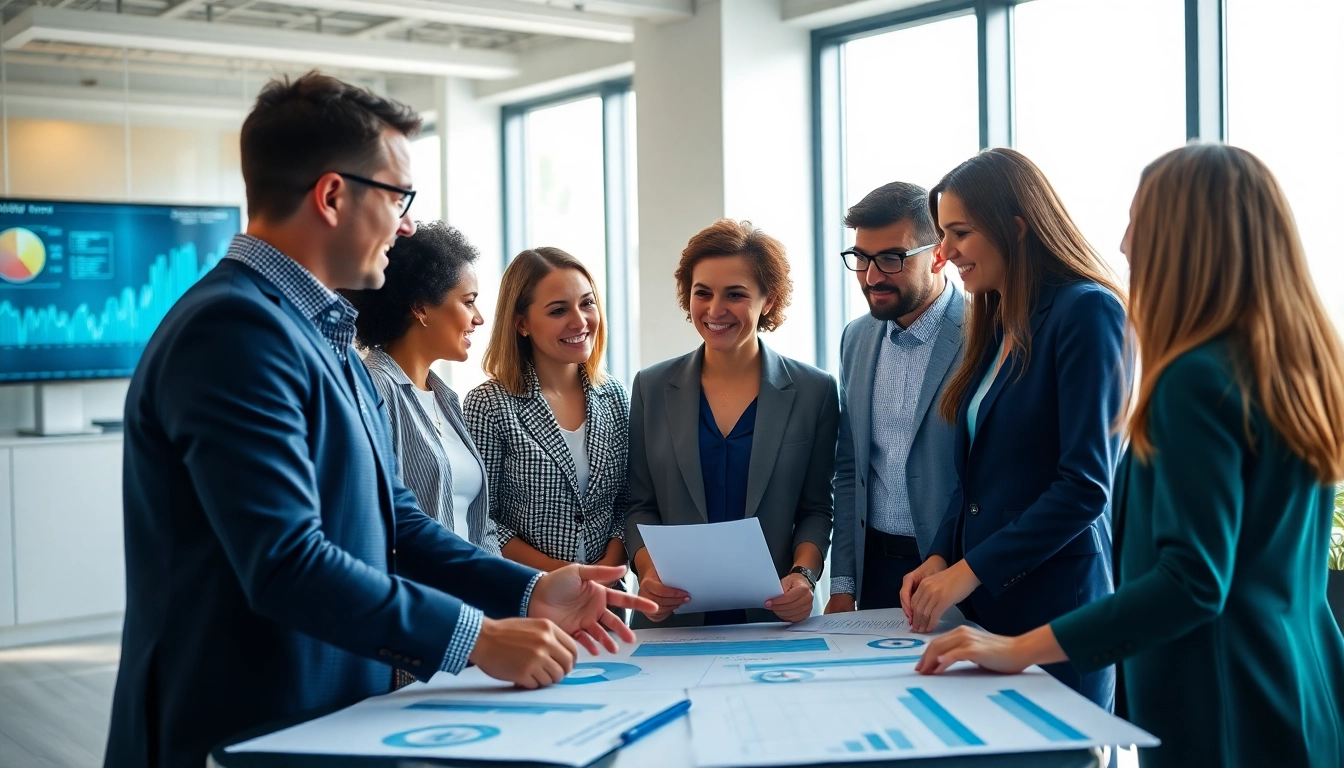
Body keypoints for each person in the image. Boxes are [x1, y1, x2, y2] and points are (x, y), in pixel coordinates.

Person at [107, 73, 653, 768]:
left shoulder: (322, 332)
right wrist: (478, 637)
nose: (409, 225)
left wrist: (530, 589)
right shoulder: (233, 331)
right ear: (333, 195)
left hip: (329, 720)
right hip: (239, 728)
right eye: (399, 197)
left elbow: (394, 519)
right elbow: (286, 561)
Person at [915, 144, 1344, 768]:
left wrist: (1017, 649)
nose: (1123, 242)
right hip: (1299, 687)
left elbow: (1191, 582)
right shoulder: (1297, 369)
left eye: (1139, 220)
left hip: (1220, 698)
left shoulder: (1195, 379)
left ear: (1188, 238)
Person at [901, 148, 1128, 709]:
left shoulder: (1087, 312)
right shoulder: (996, 319)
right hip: (985, 614)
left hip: (1056, 613)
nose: (945, 252)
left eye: (960, 233)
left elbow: (1084, 488)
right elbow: (977, 478)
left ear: (1017, 228)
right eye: (943, 234)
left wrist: (969, 571)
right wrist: (941, 556)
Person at [625, 219, 839, 627]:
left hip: (774, 616)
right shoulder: (650, 387)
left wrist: (804, 575)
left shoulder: (815, 391)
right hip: (671, 619)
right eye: (702, 292)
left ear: (769, 300)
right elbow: (640, 505)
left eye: (735, 294)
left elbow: (816, 508)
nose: (715, 309)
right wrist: (648, 574)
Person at [825, 182, 967, 615]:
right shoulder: (856, 337)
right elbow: (849, 468)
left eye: (891, 259)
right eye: (861, 258)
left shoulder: (986, 334)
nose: (871, 277)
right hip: (876, 570)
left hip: (956, 570)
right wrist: (843, 584)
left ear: (938, 254)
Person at [463, 248, 630, 579]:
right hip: (528, 595)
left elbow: (627, 504)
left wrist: (605, 572)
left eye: (587, 303)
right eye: (558, 310)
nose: (580, 321)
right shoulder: (489, 404)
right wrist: (567, 576)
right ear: (521, 323)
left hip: (607, 598)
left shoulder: (615, 396)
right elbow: (482, 520)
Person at [344, 221, 499, 556]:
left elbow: (480, 525)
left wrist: (504, 583)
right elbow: (386, 519)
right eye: (468, 302)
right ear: (421, 308)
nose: (479, 318)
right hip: (425, 587)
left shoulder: (446, 399)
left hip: (474, 586)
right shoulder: (373, 388)